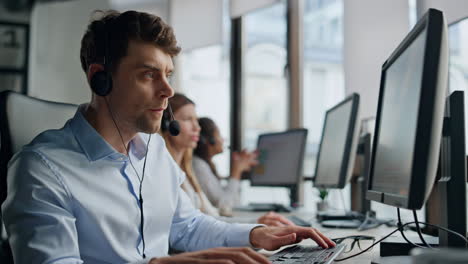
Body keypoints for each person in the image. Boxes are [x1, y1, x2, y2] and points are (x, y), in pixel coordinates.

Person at [1, 10, 335, 264]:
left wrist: (256, 234)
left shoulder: (155, 151)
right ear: (100, 78)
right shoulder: (40, 169)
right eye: (148, 75)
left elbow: (188, 227)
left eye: (168, 74)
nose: (168, 90)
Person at [161, 93, 295, 227]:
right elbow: (221, 208)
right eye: (187, 119)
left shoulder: (186, 172)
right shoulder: (169, 173)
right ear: (167, 124)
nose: (197, 128)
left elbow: (213, 216)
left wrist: (255, 225)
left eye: (196, 120)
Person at [193, 117, 255, 212]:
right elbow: (224, 206)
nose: (223, 140)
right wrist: (236, 171)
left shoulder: (206, 164)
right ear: (209, 140)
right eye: (219, 135)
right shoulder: (198, 166)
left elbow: (230, 201)